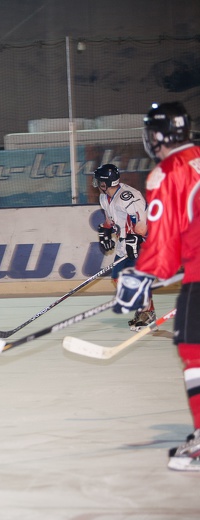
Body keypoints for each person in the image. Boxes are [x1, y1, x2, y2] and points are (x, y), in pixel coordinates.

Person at [112, 101, 200, 472]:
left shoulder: (167, 173)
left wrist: (140, 276)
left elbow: (163, 245)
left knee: (194, 353)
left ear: (159, 136)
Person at [94, 163, 155, 330]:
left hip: (142, 243)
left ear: (104, 183)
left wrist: (136, 239)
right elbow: (110, 221)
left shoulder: (129, 196)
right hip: (123, 244)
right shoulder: (104, 198)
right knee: (118, 278)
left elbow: (143, 225)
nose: (97, 184)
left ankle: (147, 313)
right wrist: (105, 231)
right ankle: (144, 309)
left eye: (99, 181)